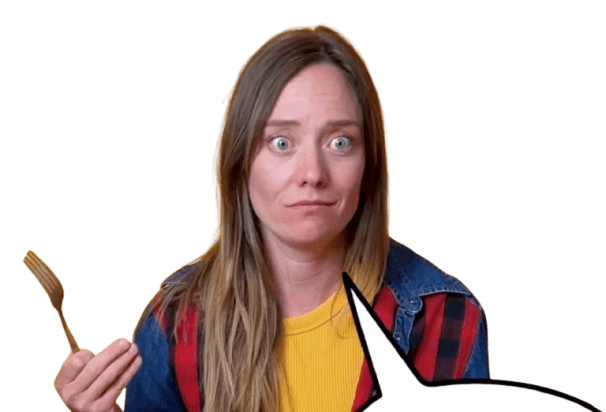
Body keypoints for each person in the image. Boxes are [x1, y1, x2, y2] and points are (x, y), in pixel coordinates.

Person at [54, 23, 490, 412]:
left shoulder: (445, 317)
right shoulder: (174, 323)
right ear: (241, 163)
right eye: (282, 143)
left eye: (340, 142)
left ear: (368, 164)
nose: (312, 174)